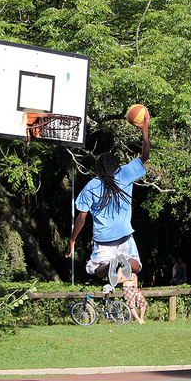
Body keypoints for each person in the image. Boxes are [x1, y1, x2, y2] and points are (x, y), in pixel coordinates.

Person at [66, 108, 150, 286]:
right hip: (124, 237)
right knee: (137, 266)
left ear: (98, 168)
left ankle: (111, 264)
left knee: (97, 271)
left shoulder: (91, 186)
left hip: (103, 240)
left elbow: (81, 220)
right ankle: (122, 261)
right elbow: (144, 157)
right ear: (115, 165)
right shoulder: (125, 174)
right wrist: (144, 130)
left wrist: (72, 240)